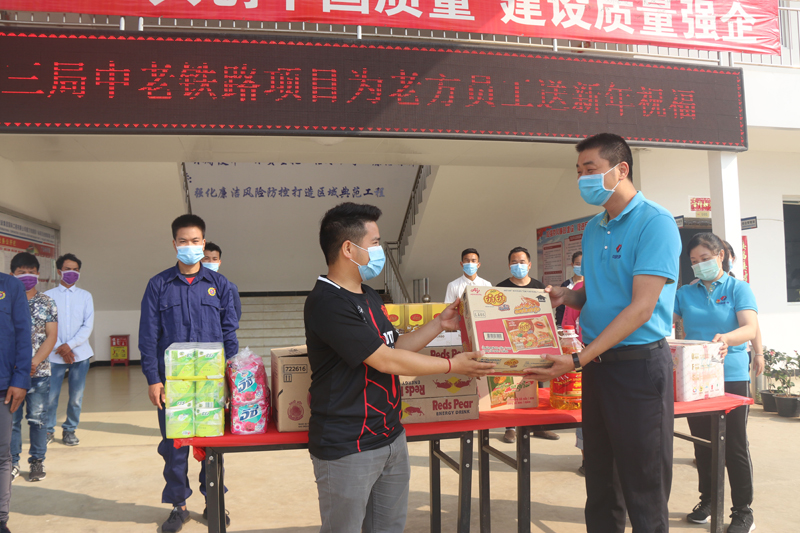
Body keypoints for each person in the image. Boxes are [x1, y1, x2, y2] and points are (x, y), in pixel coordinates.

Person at [305, 202, 495, 533]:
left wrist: (439, 324)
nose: (380, 251)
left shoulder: (368, 295)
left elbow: (395, 346)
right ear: (349, 249)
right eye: (375, 242)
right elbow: (385, 360)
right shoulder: (327, 302)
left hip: (390, 434)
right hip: (348, 443)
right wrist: (452, 365)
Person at [525, 133, 681, 533]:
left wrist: (578, 359)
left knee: (643, 484)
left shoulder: (656, 223)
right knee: (600, 479)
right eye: (578, 171)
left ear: (621, 169)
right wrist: (567, 296)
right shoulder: (594, 228)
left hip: (638, 367)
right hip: (598, 366)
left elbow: (640, 308)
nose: (583, 179)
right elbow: (595, 294)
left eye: (590, 169)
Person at [139, 214, 239, 533]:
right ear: (174, 244)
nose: (190, 246)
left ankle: (214, 501)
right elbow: (148, 336)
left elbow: (230, 334)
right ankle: (178, 506)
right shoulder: (158, 285)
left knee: (212, 444)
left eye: (195, 241)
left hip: (211, 383)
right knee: (175, 446)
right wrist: (153, 379)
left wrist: (231, 378)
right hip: (173, 384)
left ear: (203, 243)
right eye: (183, 241)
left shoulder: (220, 285)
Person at [674, 233, 759, 533]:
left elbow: (749, 328)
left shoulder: (738, 288)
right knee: (703, 443)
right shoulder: (685, 293)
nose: (700, 265)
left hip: (730, 375)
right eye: (694, 261)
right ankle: (709, 500)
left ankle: (743, 511)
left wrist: (727, 339)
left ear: (721, 255)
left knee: (734, 444)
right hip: (694, 378)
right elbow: (666, 321)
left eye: (705, 258)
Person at [495, 246, 558, 443]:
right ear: (509, 265)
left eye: (522, 262)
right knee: (510, 383)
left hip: (535, 342)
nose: (518, 266)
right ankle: (510, 427)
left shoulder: (539, 288)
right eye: (514, 262)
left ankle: (539, 426)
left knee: (537, 382)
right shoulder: (500, 288)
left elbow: (546, 316)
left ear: (529, 265)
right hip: (510, 342)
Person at [9, 253, 57, 483]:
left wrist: (34, 361)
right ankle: (12, 462)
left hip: (38, 373)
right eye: (21, 273)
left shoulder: (47, 302)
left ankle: (37, 461)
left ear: (38, 274)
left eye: (31, 272)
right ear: (12, 275)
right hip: (10, 373)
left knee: (37, 419)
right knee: (11, 420)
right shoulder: (5, 300)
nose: (27, 276)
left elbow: (51, 336)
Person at [45, 253, 94, 447]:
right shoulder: (48, 296)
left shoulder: (85, 296)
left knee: (76, 397)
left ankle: (69, 430)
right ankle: (48, 430)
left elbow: (87, 326)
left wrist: (69, 346)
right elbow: (46, 326)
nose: (72, 272)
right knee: (50, 397)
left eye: (75, 269)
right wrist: (60, 347)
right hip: (53, 355)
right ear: (59, 271)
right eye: (67, 269)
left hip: (80, 355)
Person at [0, 269, 32, 533]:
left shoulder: (10, 286)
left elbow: (23, 334)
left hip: (2, 386)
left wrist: (20, 379)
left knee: (1, 455)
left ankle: (0, 520)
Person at [201, 242, 242, 321]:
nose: (210, 262)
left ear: (219, 262)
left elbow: (235, 316)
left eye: (214, 259)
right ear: (200, 261)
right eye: (206, 258)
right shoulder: (193, 286)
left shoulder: (229, 287)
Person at [555, 251, 584, 326]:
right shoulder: (566, 285)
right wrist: (559, 326)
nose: (580, 266)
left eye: (583, 264)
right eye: (577, 264)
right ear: (572, 265)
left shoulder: (590, 285)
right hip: (568, 327)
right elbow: (560, 310)